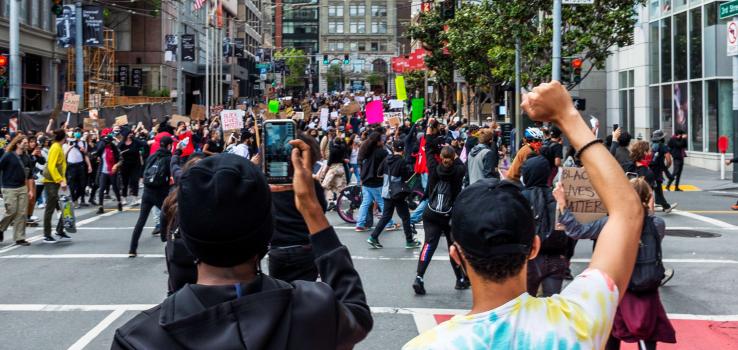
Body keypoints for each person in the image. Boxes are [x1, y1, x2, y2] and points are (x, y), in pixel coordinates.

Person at [404, 81, 644, 349]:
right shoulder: (577, 321)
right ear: (534, 246)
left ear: (456, 256)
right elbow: (628, 210)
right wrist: (567, 115)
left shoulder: (426, 346)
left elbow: (627, 212)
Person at [112, 148, 373, 349]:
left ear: (183, 239)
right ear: (267, 233)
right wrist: (310, 207)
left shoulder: (139, 339)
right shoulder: (314, 310)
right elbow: (357, 314)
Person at [554, 178, 676, 350]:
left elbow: (576, 230)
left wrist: (562, 203)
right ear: (649, 198)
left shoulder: (612, 224)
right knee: (647, 335)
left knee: (611, 334)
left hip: (617, 286)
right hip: (646, 287)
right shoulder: (657, 224)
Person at [269, 133, 327, 282]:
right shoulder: (311, 186)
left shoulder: (270, 185)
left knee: (281, 294)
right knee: (306, 294)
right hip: (305, 248)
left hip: (277, 249)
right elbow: (320, 212)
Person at [413, 143, 468, 295]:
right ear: (453, 157)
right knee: (453, 247)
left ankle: (419, 277)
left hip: (431, 212)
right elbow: (459, 162)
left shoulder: (433, 167)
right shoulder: (459, 170)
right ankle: (460, 279)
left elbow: (429, 150)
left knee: (429, 244)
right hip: (450, 214)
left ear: (441, 158)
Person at [366, 142, 421, 249]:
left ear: (393, 148)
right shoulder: (402, 162)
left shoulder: (386, 159)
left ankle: (373, 237)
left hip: (386, 192)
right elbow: (406, 178)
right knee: (405, 217)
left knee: (386, 216)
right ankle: (409, 241)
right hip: (397, 193)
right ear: (403, 150)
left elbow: (379, 173)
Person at [128, 136, 173, 257]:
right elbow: (171, 176)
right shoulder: (169, 158)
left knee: (141, 221)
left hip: (147, 192)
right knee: (169, 219)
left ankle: (132, 249)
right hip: (160, 193)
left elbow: (144, 170)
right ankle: (168, 244)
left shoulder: (152, 156)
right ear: (169, 146)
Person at [355, 132, 396, 232]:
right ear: (378, 142)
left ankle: (359, 224)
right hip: (376, 181)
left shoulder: (367, 151)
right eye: (381, 140)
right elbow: (390, 162)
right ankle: (389, 223)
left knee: (365, 203)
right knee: (382, 202)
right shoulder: (382, 152)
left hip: (366, 179)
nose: (383, 141)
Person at [0, 135, 34, 246]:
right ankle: (0, 229)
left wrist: (30, 190)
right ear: (18, 144)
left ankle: (20, 238)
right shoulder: (8, 156)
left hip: (22, 188)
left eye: (26, 142)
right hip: (9, 188)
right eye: (24, 142)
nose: (26, 144)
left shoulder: (27, 158)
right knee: (11, 211)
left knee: (22, 213)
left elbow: (29, 176)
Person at [42, 129, 71, 244]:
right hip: (51, 182)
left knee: (64, 206)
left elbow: (61, 167)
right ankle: (47, 234)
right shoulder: (55, 147)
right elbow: (52, 167)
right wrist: (60, 181)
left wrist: (63, 181)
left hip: (58, 181)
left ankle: (60, 230)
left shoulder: (58, 147)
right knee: (50, 207)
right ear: (63, 137)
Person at [631, 140, 677, 213]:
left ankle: (665, 205)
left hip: (641, 208)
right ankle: (665, 206)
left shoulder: (635, 165)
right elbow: (645, 194)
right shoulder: (643, 170)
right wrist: (650, 213)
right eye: (649, 151)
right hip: (644, 210)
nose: (651, 153)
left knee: (658, 191)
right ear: (644, 153)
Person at [94, 129, 123, 214]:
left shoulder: (115, 149)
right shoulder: (102, 148)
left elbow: (121, 160)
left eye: (108, 142)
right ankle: (100, 207)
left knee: (115, 187)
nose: (106, 144)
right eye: (105, 142)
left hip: (112, 171)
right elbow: (96, 154)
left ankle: (119, 202)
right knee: (101, 188)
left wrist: (116, 165)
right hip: (103, 171)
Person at [649, 130, 677, 212]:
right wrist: (666, 167)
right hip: (657, 170)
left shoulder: (651, 145)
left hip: (650, 169)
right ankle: (666, 207)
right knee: (657, 188)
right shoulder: (663, 146)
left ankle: (658, 203)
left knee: (654, 187)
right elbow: (668, 160)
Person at [64, 129, 91, 208]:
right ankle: (74, 200)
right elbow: (64, 154)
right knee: (72, 184)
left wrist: (89, 165)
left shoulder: (83, 143)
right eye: (76, 132)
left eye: (79, 132)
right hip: (71, 166)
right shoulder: (68, 142)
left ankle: (76, 198)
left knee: (82, 184)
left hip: (81, 165)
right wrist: (70, 147)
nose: (77, 133)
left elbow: (86, 155)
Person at [118, 129, 144, 206]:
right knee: (124, 182)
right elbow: (117, 152)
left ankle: (135, 199)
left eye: (131, 134)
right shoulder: (121, 144)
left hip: (135, 165)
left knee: (134, 181)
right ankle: (124, 198)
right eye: (129, 134)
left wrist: (142, 152)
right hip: (124, 165)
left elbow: (144, 145)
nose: (130, 135)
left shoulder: (136, 142)